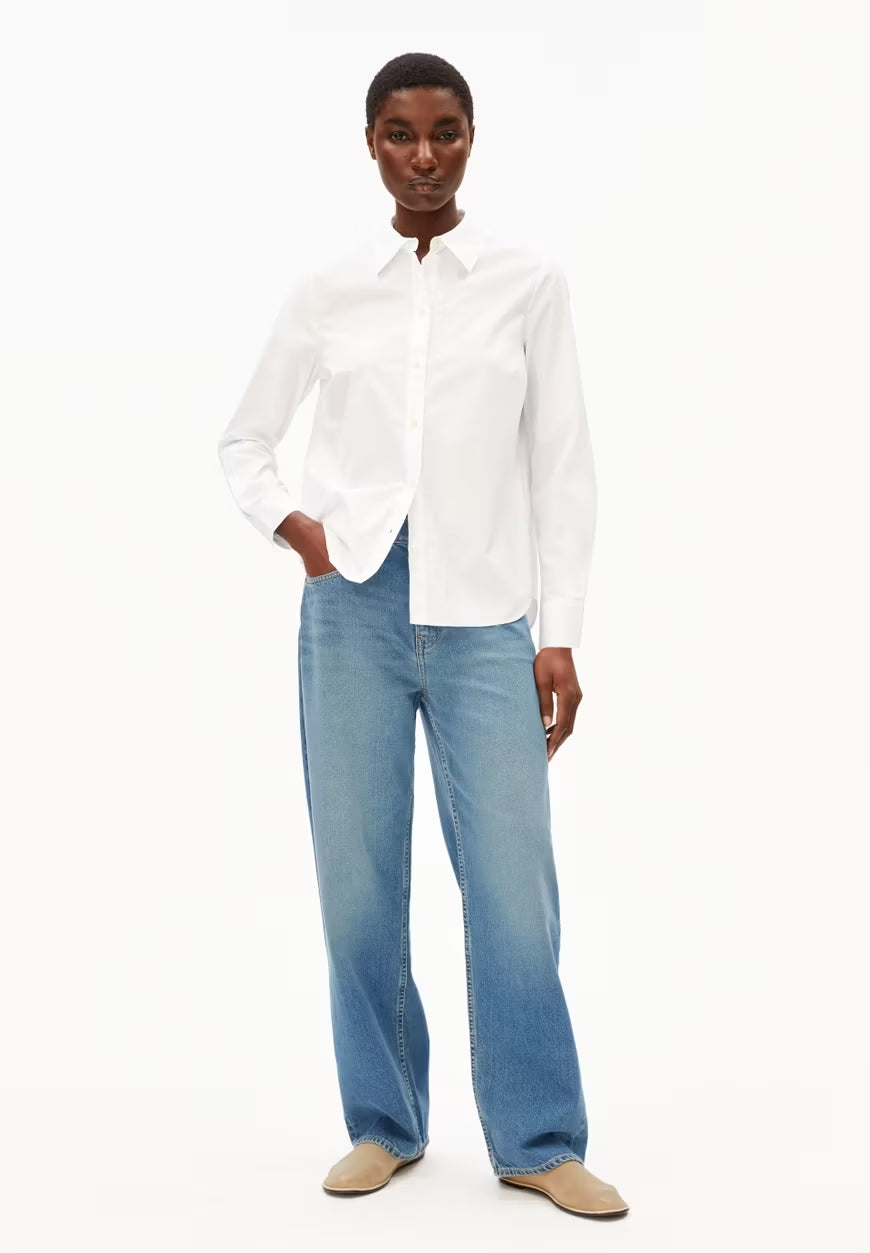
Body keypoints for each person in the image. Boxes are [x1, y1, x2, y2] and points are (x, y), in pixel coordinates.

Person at [216, 51, 629, 1219]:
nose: (424, 155)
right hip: (350, 611)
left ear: (472, 138)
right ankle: (384, 1121)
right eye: (400, 134)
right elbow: (244, 440)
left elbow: (561, 465)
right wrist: (302, 531)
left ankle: (538, 1136)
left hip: (487, 617)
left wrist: (560, 633)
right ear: (371, 144)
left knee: (513, 889)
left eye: (445, 131)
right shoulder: (328, 289)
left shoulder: (528, 283)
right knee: (357, 882)